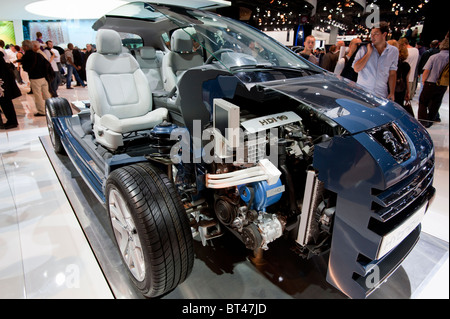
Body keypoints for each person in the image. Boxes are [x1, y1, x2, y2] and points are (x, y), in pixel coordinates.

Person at [353, 21, 399, 100]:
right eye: (372, 34)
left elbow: (392, 73)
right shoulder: (364, 49)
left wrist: (392, 92)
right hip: (362, 93)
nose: (372, 37)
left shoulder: (393, 51)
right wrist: (368, 53)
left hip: (381, 93)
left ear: (384, 35)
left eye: (376, 34)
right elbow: (356, 68)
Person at [418, 37, 449, 128]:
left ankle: (423, 121)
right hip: (443, 84)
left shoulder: (434, 57)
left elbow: (426, 70)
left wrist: (423, 80)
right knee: (436, 103)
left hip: (430, 83)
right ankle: (430, 120)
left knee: (423, 101)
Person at [20, 40, 51, 116]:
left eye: (23, 46)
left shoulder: (26, 56)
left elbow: (25, 68)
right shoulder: (38, 54)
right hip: (43, 77)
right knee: (46, 94)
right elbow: (46, 64)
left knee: (38, 95)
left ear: (26, 47)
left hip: (35, 78)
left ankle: (42, 111)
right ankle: (51, 109)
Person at [388, 40, 413, 116]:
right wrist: (408, 92)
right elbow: (406, 79)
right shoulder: (406, 65)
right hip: (401, 89)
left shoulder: (390, 64)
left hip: (389, 89)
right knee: (398, 108)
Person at [0, 51, 21, 129]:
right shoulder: (2, 60)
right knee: (6, 103)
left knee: (6, 103)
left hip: (2, 86)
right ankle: (12, 121)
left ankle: (12, 122)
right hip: (4, 85)